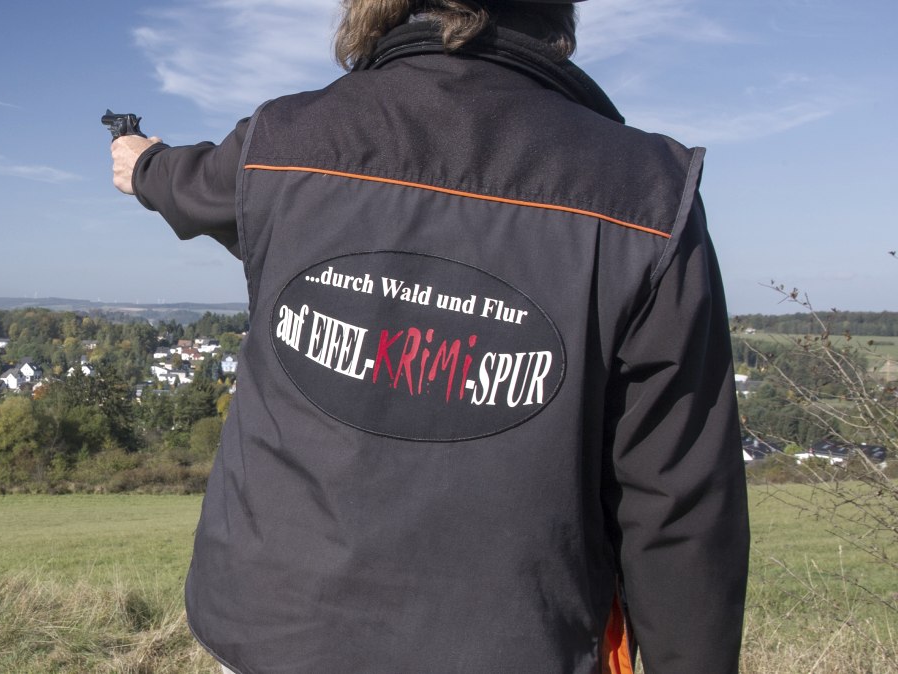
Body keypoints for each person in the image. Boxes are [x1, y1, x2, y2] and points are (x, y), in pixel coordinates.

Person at [109, 1, 748, 672]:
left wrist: (142, 165)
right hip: (512, 644)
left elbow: (190, 183)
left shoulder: (283, 140)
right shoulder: (644, 192)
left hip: (274, 628)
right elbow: (679, 504)